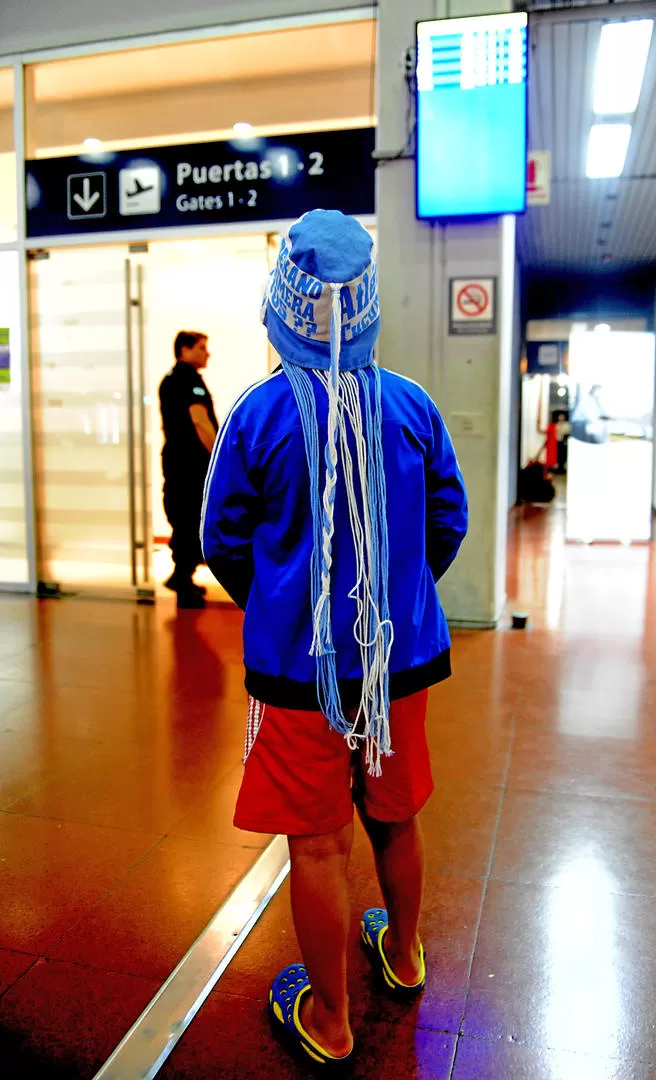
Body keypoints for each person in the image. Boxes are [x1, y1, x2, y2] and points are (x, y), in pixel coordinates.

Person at [201, 210, 468, 1069]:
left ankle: (328, 1019)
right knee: (395, 812)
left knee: (317, 842)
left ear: (282, 303)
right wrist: (395, 594)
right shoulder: (412, 405)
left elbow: (221, 538)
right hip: (398, 662)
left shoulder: (257, 412)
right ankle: (401, 952)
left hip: (297, 670)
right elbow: (446, 519)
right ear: (366, 305)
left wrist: (281, 602)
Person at [159, 331, 218, 608]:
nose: (208, 353)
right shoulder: (187, 380)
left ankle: (182, 576)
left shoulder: (172, 380)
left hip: (177, 461)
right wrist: (219, 457)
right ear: (185, 349)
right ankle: (183, 583)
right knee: (189, 519)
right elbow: (200, 423)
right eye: (202, 348)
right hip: (189, 463)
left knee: (184, 518)